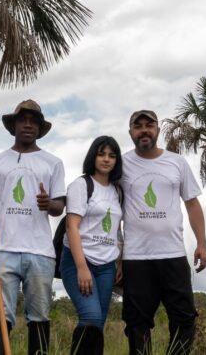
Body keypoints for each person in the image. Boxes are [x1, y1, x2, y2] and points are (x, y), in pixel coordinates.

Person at [0, 99, 66, 355]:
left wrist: (48, 203)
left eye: (33, 121)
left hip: (40, 252)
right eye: (22, 120)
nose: (28, 125)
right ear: (13, 126)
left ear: (40, 127)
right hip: (3, 248)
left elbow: (59, 206)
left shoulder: (53, 162)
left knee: (39, 316)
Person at [121, 110, 206, 355]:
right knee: (137, 323)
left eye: (149, 125)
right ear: (131, 133)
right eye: (138, 126)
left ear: (158, 131)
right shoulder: (122, 163)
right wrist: (117, 253)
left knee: (185, 320)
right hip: (136, 257)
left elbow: (192, 204)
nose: (144, 130)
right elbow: (111, 206)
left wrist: (202, 244)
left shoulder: (176, 162)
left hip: (173, 254)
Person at [61, 136, 124, 355]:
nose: (106, 159)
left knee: (99, 323)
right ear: (93, 156)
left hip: (107, 265)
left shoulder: (117, 191)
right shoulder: (82, 185)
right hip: (78, 260)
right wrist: (81, 267)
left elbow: (116, 229)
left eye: (112, 155)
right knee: (91, 317)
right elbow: (72, 225)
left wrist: (120, 261)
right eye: (101, 154)